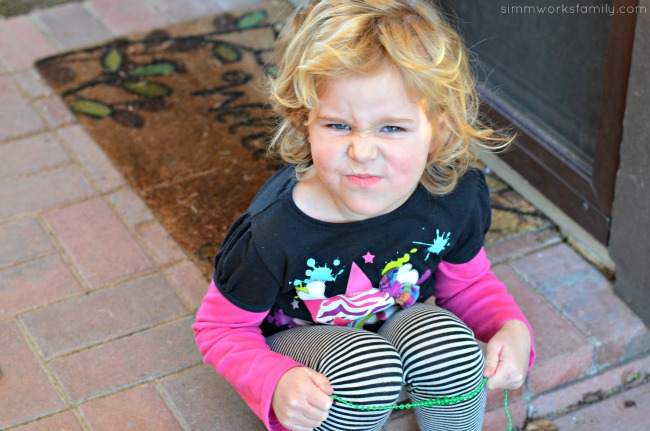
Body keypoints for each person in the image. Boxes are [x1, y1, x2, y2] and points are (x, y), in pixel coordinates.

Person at [193, 1, 535, 430]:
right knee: (366, 368)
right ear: (305, 122)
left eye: (392, 128)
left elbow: (469, 285)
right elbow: (219, 330)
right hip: (312, 354)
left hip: (398, 326)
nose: (361, 152)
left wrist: (511, 329)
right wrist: (275, 381)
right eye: (338, 126)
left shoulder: (454, 197)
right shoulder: (273, 232)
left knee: (450, 346)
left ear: (439, 129)